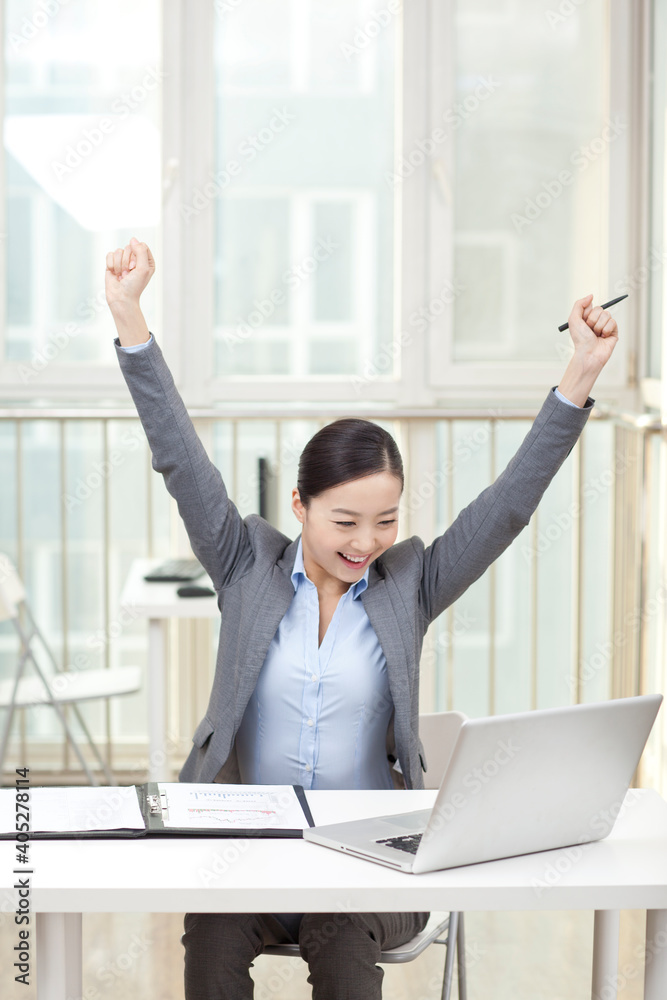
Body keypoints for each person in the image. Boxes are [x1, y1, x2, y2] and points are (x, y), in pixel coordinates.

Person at [105, 237, 619, 1000]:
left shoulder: (407, 584)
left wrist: (578, 373)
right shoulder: (243, 563)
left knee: (341, 934)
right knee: (211, 937)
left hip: (368, 861)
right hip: (247, 853)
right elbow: (178, 456)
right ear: (299, 508)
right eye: (344, 521)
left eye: (384, 521)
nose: (365, 543)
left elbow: (507, 508)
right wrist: (129, 314)